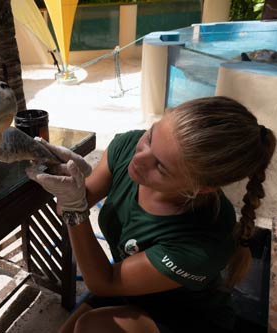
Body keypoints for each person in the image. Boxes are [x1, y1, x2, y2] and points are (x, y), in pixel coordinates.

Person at [26, 96, 276, 333]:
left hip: (185, 314)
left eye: (161, 166)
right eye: (151, 136)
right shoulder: (127, 147)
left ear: (201, 187)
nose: (140, 158)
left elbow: (103, 281)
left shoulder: (205, 243)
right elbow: (76, 200)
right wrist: (66, 176)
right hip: (130, 287)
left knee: (93, 326)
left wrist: (74, 208)